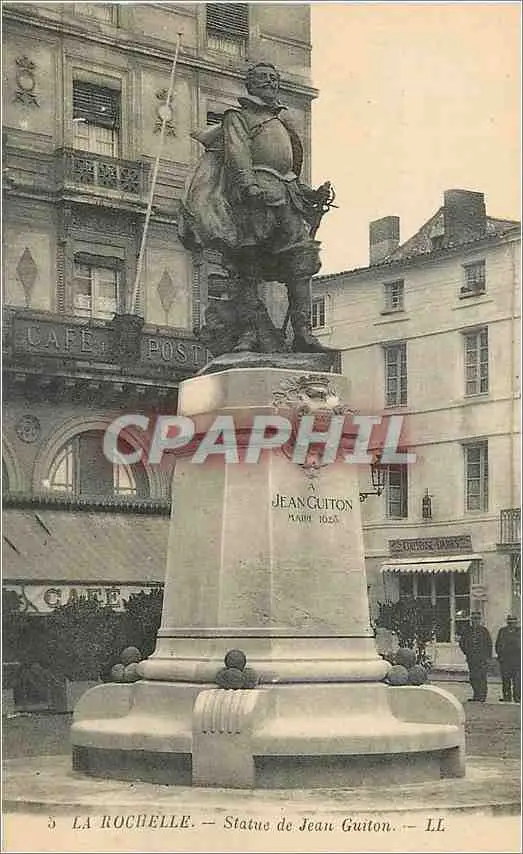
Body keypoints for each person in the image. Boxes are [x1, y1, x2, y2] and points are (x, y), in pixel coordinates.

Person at [179, 61, 334, 355]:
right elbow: (237, 153)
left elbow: (290, 170)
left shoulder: (282, 122)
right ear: (250, 84)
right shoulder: (237, 116)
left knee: (301, 260)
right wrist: (248, 186)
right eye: (263, 77)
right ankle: (249, 333)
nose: (270, 82)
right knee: (246, 264)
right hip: (254, 198)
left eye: (274, 78)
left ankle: (303, 333)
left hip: (287, 196)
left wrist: (311, 194)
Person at [458, 611, 493, 702]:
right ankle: (476, 695)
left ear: (480, 620)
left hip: (482, 658)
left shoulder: (484, 631)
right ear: (471, 620)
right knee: (473, 677)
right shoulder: (467, 631)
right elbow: (462, 643)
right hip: (472, 658)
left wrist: (488, 658)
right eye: (473, 618)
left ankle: (482, 696)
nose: (475, 620)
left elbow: (489, 644)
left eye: (477, 618)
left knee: (481, 677)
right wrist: (467, 652)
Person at [495, 614, 521, 703]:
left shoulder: (520, 632)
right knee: (506, 680)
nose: (511, 624)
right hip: (505, 660)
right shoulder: (502, 631)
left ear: (516, 623)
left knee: (517, 681)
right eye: (510, 622)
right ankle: (507, 697)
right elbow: (498, 644)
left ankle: (518, 697)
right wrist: (499, 655)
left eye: (513, 622)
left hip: (517, 660)